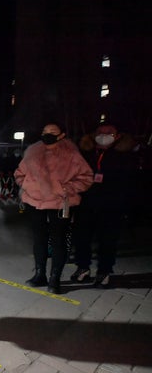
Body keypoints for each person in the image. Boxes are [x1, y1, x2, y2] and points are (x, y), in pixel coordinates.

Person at [14, 122, 93, 294]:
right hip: (35, 201)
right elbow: (19, 173)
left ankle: (54, 278)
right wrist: (27, 185)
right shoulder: (33, 152)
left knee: (58, 241)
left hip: (59, 203)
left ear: (62, 135)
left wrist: (64, 189)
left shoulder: (71, 154)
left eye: (52, 131)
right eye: (45, 131)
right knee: (39, 239)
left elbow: (86, 178)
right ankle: (40, 274)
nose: (47, 134)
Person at [71, 123, 136, 287]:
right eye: (100, 132)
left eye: (109, 132)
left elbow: (131, 180)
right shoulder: (86, 152)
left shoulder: (125, 154)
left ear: (117, 135)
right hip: (86, 202)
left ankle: (104, 271)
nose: (104, 135)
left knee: (107, 240)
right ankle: (83, 268)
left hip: (112, 204)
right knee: (82, 238)